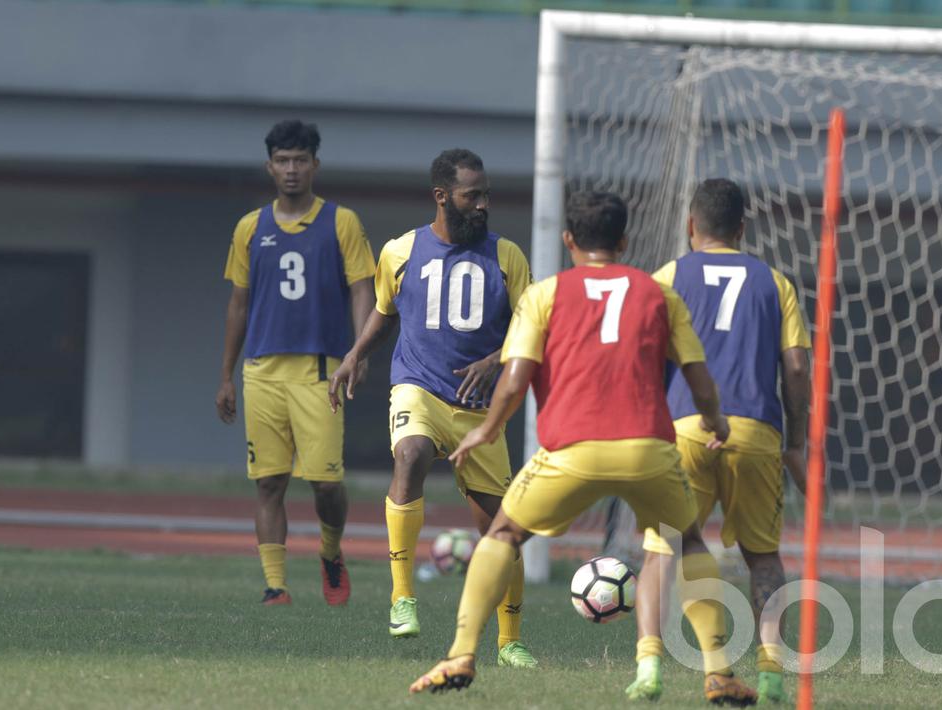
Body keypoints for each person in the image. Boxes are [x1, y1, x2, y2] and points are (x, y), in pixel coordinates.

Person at [408, 191, 757, 706]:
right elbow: (698, 377)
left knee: (503, 533)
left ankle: (461, 654)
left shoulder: (545, 294)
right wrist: (714, 420)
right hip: (647, 450)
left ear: (568, 240)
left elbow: (514, 379)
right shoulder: (660, 294)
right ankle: (719, 671)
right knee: (688, 543)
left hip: (570, 450)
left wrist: (486, 429)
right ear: (623, 241)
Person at [328, 149, 536, 667]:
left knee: (502, 530)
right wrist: (356, 354)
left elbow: (531, 329)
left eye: (486, 193)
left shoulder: (507, 256)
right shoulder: (400, 251)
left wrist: (497, 358)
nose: (483, 204)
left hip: (480, 410)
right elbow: (384, 312)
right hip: (418, 388)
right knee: (412, 454)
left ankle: (509, 641)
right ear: (442, 196)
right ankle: (403, 597)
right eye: (473, 195)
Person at [650, 178, 810, 703]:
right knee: (763, 557)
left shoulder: (669, 275)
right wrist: (795, 438)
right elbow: (796, 368)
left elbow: (643, 354)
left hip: (686, 430)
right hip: (757, 430)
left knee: (665, 549)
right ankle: (771, 675)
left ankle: (649, 667)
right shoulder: (776, 283)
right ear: (743, 228)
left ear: (690, 225)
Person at [216, 119, 376, 606]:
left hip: (319, 369)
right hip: (262, 369)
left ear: (315, 165)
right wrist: (225, 374)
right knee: (269, 482)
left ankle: (330, 552)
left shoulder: (341, 222)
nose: (291, 169)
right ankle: (275, 586)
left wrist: (359, 350)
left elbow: (362, 289)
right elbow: (239, 304)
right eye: (283, 161)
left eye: (300, 160)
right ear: (270, 166)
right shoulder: (250, 227)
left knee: (326, 482)